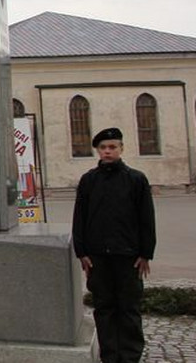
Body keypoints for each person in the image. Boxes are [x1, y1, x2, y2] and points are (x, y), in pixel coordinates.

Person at [73, 127, 157, 363]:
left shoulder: (136, 179)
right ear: (97, 151)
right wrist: (82, 252)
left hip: (128, 256)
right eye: (103, 148)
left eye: (112, 147)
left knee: (129, 308)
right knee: (104, 308)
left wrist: (145, 253)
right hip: (98, 257)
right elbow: (80, 217)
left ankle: (130, 356)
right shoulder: (89, 180)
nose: (108, 152)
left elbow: (146, 219)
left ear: (121, 149)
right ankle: (110, 355)